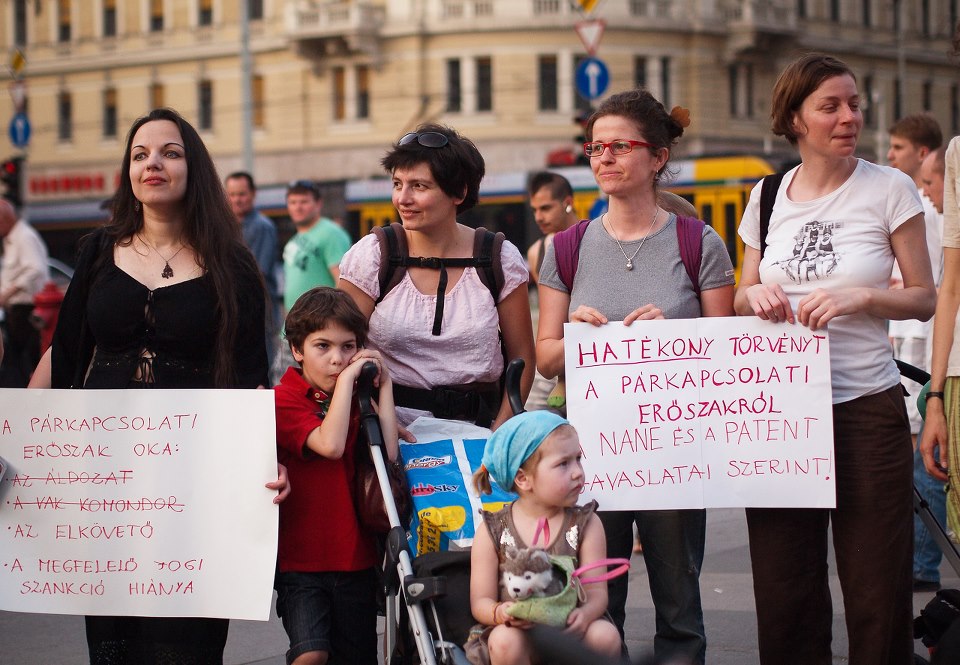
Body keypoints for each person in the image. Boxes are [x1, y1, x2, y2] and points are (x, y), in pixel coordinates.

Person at [28, 107, 290, 664]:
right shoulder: (98, 252)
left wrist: (265, 461)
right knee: (114, 642)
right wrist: (19, 440)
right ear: (128, 171)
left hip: (196, 479)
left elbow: (248, 378)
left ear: (194, 169)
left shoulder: (233, 267)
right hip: (106, 476)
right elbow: (66, 351)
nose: (154, 163)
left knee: (186, 643)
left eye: (171, 152)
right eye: (140, 153)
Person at [736, 54, 936, 665]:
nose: (849, 116)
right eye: (831, 106)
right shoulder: (766, 196)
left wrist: (863, 295)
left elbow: (925, 297)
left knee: (878, 586)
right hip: (781, 416)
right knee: (784, 587)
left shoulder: (889, 188)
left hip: (864, 409)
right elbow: (742, 294)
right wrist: (756, 295)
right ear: (794, 118)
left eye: (854, 103)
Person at [536, 89, 736, 665]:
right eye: (596, 147)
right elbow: (547, 355)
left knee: (679, 601)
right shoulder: (566, 248)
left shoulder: (698, 241)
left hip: (672, 449)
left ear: (657, 156)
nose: (603, 158)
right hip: (588, 452)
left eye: (619, 146)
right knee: (597, 600)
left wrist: (670, 336)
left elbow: (724, 355)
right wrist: (576, 334)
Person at [338, 124, 535, 430]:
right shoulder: (375, 255)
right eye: (397, 183)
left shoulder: (498, 258)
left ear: (459, 192)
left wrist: (498, 438)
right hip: (390, 437)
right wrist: (376, 420)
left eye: (419, 186)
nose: (402, 198)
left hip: (480, 435)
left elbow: (522, 360)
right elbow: (337, 351)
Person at [273, 286, 398, 665]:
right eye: (322, 346)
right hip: (300, 562)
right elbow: (329, 444)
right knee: (311, 654)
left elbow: (388, 455)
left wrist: (386, 387)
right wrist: (348, 384)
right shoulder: (285, 398)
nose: (337, 359)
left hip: (355, 560)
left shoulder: (356, 399)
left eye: (348, 348)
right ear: (297, 350)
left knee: (357, 657)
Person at [466, 410, 622, 664]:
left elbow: (596, 594)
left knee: (604, 635)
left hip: (570, 627)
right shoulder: (493, 530)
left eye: (578, 459)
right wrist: (500, 612)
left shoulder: (586, 524)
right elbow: (480, 601)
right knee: (504, 641)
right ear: (523, 479)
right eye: (563, 464)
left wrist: (585, 616)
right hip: (518, 632)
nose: (577, 472)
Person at [914, 144, 949, 593]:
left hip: (935, 368)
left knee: (930, 476)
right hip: (937, 373)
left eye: (932, 181)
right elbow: (943, 298)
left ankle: (923, 564)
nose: (927, 192)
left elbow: (934, 298)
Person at [525, 172, 579, 412]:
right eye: (535, 210)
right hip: (554, 367)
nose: (539, 217)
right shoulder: (537, 251)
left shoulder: (596, 240)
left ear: (567, 203)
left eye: (545, 208)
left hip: (595, 357)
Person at [225, 171, 281, 375]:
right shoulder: (228, 226)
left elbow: (258, 272)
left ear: (253, 194)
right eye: (232, 194)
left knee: (260, 368)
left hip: (258, 310)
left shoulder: (262, 226)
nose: (236, 200)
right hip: (235, 311)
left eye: (241, 194)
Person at [282, 178, 351, 311]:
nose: (298, 207)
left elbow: (343, 283)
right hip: (293, 324)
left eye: (304, 202)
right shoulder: (294, 239)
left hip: (318, 322)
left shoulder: (331, 233)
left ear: (318, 204)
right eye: (292, 202)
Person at [0, 200, 48, 386]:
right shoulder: (12, 239)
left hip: (26, 308)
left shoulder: (24, 237)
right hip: (16, 309)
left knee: (21, 359)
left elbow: (35, 269)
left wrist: (6, 294)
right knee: (16, 359)